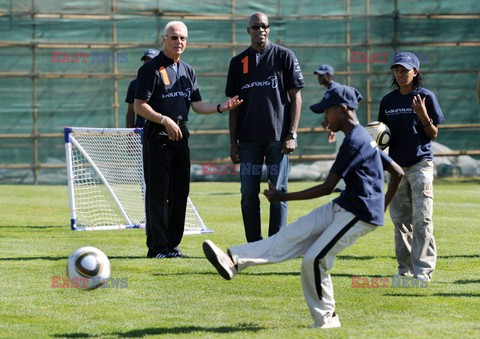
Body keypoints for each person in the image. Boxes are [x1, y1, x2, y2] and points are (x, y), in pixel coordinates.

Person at [203, 84, 404, 328]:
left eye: (326, 112)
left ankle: (327, 320)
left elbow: (326, 187)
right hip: (345, 206)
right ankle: (233, 260)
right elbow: (397, 171)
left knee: (314, 260)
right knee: (291, 235)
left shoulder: (354, 142)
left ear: (342, 109)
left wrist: (281, 197)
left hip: (359, 214)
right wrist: (382, 205)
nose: (325, 118)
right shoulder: (361, 136)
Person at [134, 21, 242, 259]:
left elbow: (196, 105)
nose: (179, 42)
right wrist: (164, 120)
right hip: (158, 135)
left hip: (181, 135)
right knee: (158, 193)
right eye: (174, 38)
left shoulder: (188, 70)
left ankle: (172, 246)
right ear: (164, 39)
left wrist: (221, 107)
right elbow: (139, 106)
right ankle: (157, 248)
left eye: (183, 38)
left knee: (180, 192)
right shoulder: (150, 69)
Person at [226, 12, 304, 243]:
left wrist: (291, 134)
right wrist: (233, 143)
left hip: (278, 141)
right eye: (255, 26)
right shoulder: (238, 62)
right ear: (248, 30)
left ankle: (276, 243)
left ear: (269, 29)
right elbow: (233, 106)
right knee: (248, 193)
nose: (260, 29)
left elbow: (296, 98)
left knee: (278, 192)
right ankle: (254, 244)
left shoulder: (285, 56)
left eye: (264, 26)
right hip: (248, 142)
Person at [378, 52, 445, 281]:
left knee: (422, 219)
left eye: (404, 70)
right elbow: (382, 135)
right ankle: (404, 270)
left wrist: (423, 115)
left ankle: (424, 270)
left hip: (420, 165)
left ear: (415, 72)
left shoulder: (425, 96)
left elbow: (433, 133)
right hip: (396, 168)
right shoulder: (388, 101)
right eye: (396, 70)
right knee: (400, 221)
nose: (400, 74)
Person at [310, 64, 345, 191]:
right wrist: (330, 126)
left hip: (345, 129)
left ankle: (343, 185)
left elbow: (344, 110)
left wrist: (333, 125)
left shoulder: (335, 89)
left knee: (343, 156)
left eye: (322, 75)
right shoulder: (332, 89)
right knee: (341, 155)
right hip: (341, 129)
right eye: (318, 75)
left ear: (329, 76)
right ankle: (342, 185)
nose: (319, 77)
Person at [125, 49, 159, 128]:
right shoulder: (134, 84)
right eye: (146, 60)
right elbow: (131, 112)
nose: (147, 63)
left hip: (159, 129)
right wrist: (129, 135)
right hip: (141, 130)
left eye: (151, 60)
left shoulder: (165, 83)